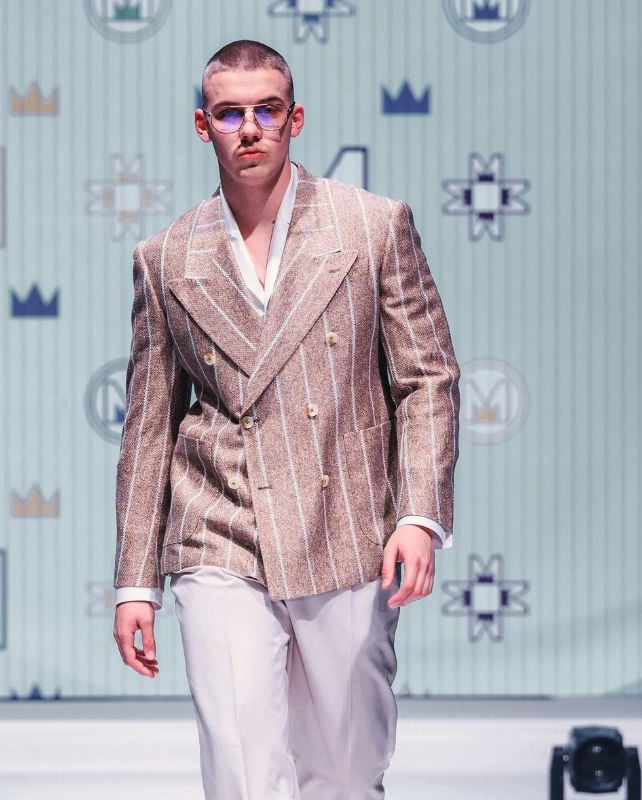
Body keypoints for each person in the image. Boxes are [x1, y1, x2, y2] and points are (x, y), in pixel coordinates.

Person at [112, 39, 460, 800]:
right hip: (219, 526)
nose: (250, 128)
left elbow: (427, 377)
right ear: (202, 125)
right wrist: (134, 580)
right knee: (240, 764)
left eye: (267, 110)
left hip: (345, 522)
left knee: (345, 769)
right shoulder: (165, 258)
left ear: (294, 119)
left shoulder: (371, 226)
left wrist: (419, 515)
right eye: (229, 113)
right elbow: (148, 426)